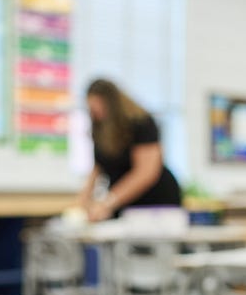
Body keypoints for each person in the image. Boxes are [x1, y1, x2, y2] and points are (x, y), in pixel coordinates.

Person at [76, 78, 182, 221]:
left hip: (154, 201)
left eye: (100, 107)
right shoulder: (100, 127)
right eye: (93, 109)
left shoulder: (141, 123)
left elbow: (146, 173)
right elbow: (98, 166)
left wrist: (108, 202)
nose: (97, 113)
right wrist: (81, 204)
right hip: (121, 202)